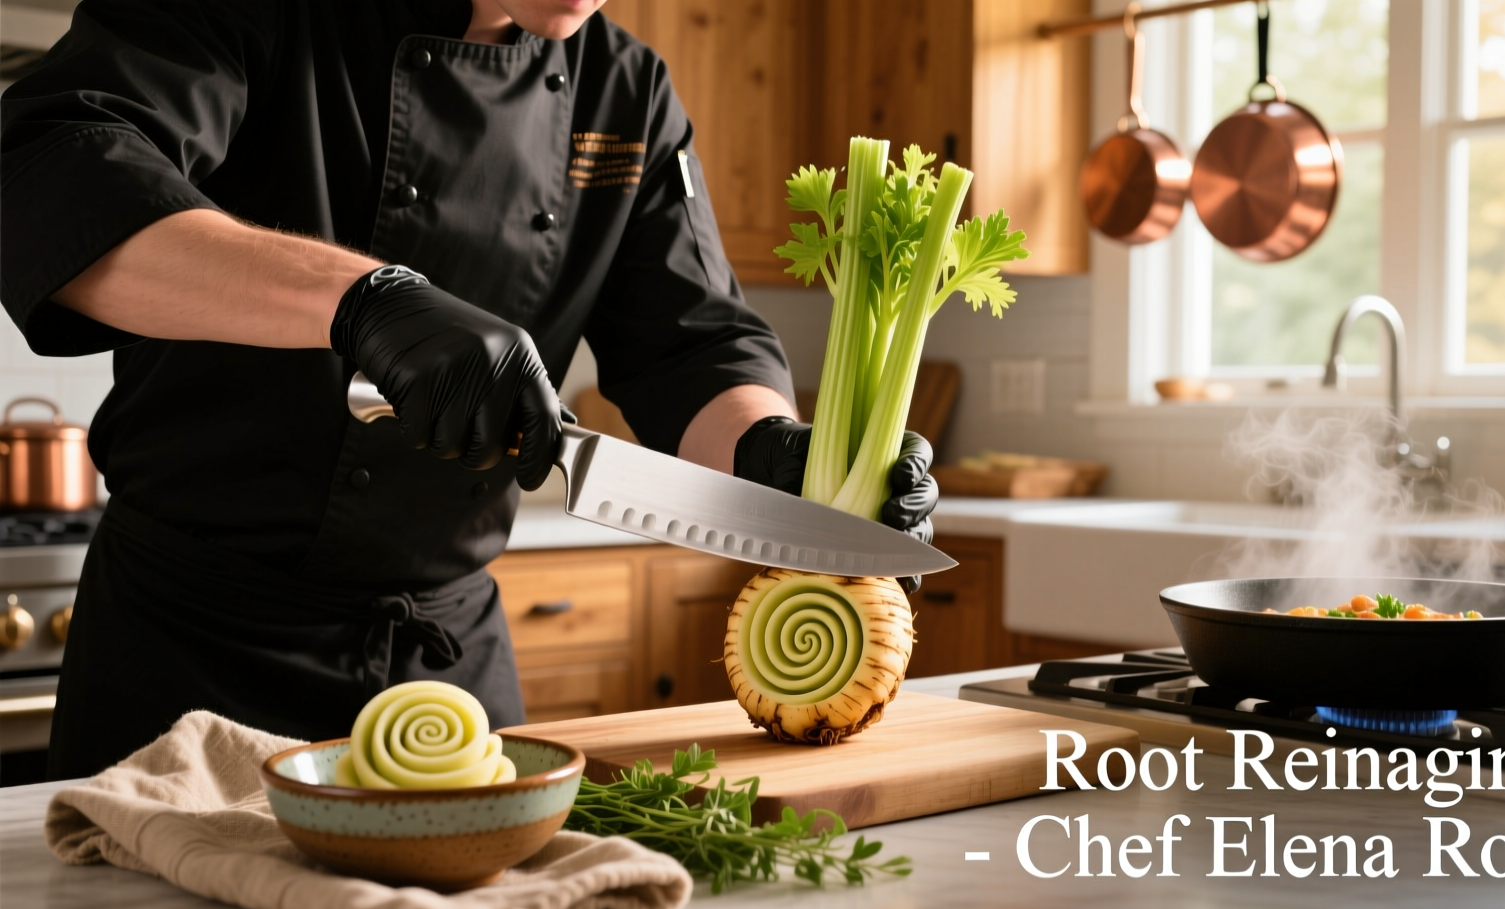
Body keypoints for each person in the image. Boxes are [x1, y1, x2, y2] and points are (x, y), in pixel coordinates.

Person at [0, 0, 938, 778]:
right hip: (192, 654)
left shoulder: (623, 87)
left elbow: (691, 344)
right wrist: (365, 302)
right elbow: (49, 179)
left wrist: (769, 449)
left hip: (448, 675)